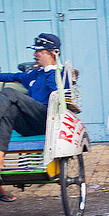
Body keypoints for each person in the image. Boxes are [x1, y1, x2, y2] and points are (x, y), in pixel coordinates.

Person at [0, 33, 62, 203]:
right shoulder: (34, 74)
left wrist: (51, 69)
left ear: (51, 53)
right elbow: (11, 76)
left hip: (46, 119)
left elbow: (58, 92)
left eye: (39, 52)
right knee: (10, 110)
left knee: (10, 94)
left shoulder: (60, 73)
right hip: (28, 124)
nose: (34, 55)